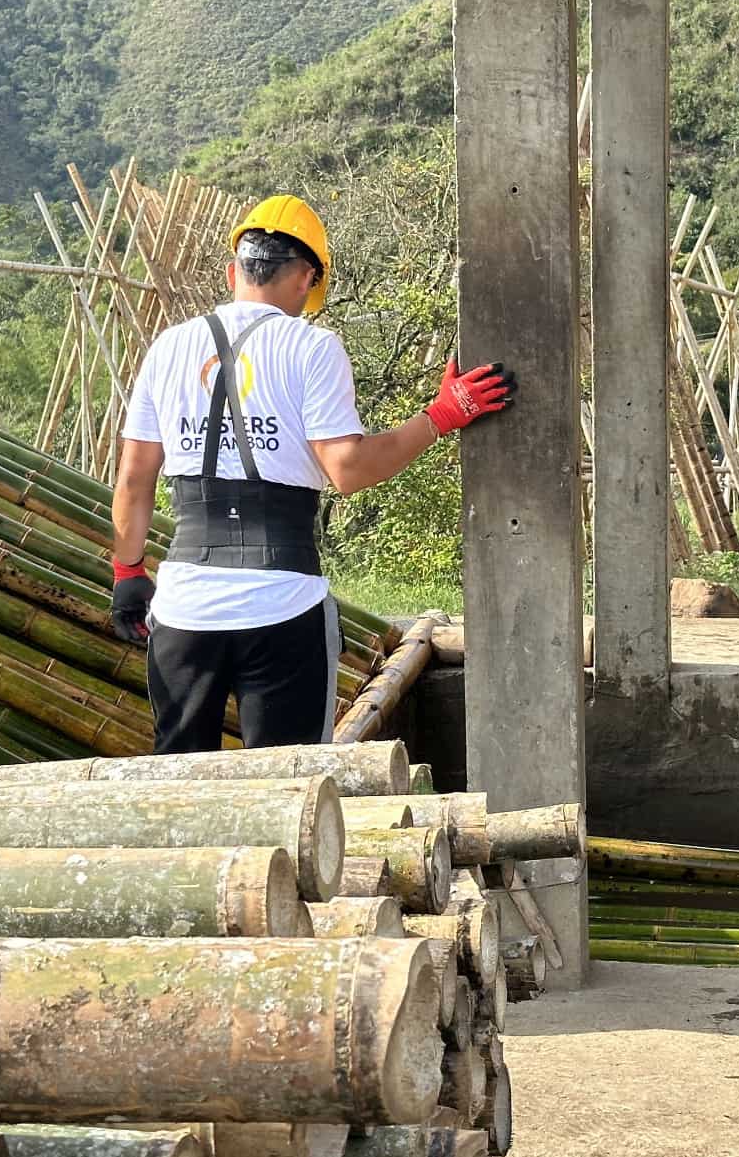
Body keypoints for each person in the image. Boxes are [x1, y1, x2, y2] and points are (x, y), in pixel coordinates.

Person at [111, 194, 515, 753]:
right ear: (305, 278)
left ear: (235, 272)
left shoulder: (169, 347)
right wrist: (442, 415)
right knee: (292, 787)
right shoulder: (312, 346)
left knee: (180, 783)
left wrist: (128, 570)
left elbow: (135, 478)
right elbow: (346, 469)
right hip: (282, 604)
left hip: (182, 609)